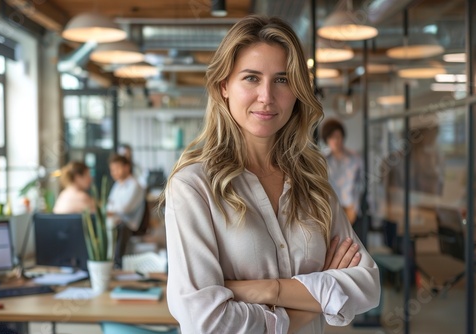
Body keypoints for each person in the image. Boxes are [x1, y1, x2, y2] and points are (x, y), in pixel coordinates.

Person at [161, 15, 380, 334]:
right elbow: (205, 323)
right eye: (251, 78)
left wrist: (267, 290)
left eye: (282, 79)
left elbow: (367, 286)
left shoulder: (314, 185)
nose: (266, 96)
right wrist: (318, 297)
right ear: (224, 86)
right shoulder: (193, 188)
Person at [320, 118, 363, 225]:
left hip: (349, 206)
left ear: (342, 137)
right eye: (331, 137)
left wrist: (356, 206)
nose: (335, 141)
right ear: (326, 139)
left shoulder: (355, 158)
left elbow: (361, 183)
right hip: (330, 207)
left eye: (338, 137)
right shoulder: (322, 159)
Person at [106, 154, 145, 267]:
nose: (114, 172)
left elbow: (125, 208)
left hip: (129, 223)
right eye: (112, 170)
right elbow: (109, 206)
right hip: (116, 220)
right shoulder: (117, 185)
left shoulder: (135, 185)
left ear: (126, 167)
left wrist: (111, 210)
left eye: (117, 168)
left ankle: (117, 263)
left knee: (118, 226)